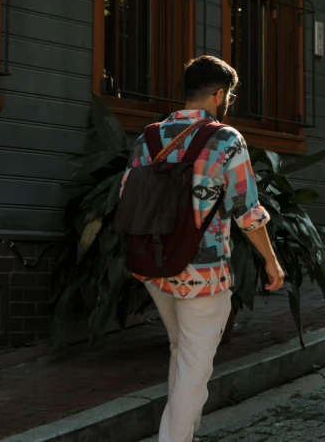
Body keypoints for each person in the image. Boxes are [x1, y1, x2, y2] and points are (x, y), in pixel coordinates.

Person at [120, 55, 285, 442]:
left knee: (182, 350)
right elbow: (247, 211)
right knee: (195, 369)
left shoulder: (149, 137)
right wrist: (272, 263)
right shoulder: (226, 138)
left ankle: (185, 435)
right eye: (229, 94)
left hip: (154, 266)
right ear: (218, 93)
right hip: (203, 273)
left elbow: (127, 195)